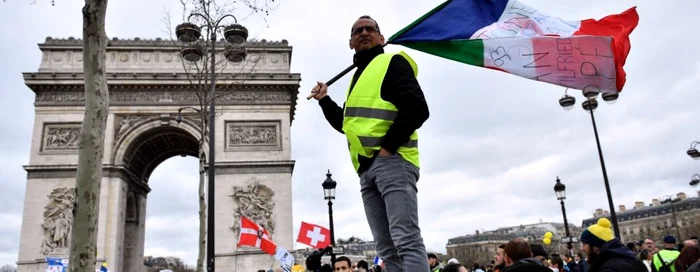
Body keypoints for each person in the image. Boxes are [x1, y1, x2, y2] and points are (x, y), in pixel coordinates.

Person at [310, 15, 430, 272]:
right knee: (386, 249)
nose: (364, 32)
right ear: (350, 43)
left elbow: (418, 109)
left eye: (370, 29)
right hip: (367, 171)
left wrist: (387, 149)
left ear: (381, 37)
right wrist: (324, 100)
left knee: (406, 240)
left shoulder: (392, 62)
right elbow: (347, 124)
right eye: (357, 31)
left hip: (393, 161)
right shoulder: (355, 80)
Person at [579, 218, 647, 271]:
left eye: (584, 244)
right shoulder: (636, 262)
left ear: (596, 247)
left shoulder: (608, 269)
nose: (582, 248)